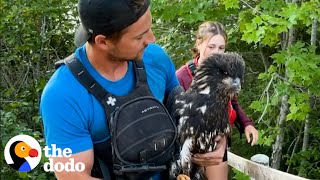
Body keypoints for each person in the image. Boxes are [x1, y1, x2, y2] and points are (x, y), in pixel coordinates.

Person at [40, 1, 227, 180]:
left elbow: (185, 111)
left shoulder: (155, 58)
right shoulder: (63, 95)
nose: (151, 39)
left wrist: (216, 139)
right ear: (103, 41)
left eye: (149, 29)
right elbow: (73, 177)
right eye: (140, 36)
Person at [176, 21, 259, 179]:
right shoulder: (182, 76)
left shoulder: (225, 72)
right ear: (199, 44)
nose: (217, 52)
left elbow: (232, 102)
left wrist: (246, 124)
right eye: (211, 46)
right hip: (188, 147)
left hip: (217, 140)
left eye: (221, 48)